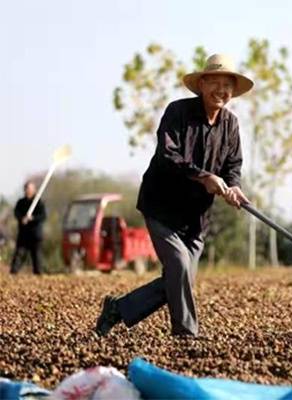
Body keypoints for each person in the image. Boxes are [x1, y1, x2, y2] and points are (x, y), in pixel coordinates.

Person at [95, 54, 252, 337]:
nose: (221, 90)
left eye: (227, 85)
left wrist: (233, 186)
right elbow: (168, 155)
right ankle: (186, 335)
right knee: (179, 267)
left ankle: (118, 309)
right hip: (162, 207)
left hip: (196, 218)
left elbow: (233, 166)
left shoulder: (231, 124)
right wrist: (203, 176)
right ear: (201, 84)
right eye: (214, 82)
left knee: (179, 280)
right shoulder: (177, 112)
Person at [10, 181, 46, 275]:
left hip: (35, 235)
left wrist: (32, 218)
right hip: (23, 235)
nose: (28, 190)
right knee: (19, 255)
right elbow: (16, 213)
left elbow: (43, 216)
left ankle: (38, 275)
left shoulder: (38, 203)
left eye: (30, 188)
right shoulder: (21, 202)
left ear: (34, 190)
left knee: (37, 257)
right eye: (26, 188)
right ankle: (13, 273)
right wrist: (22, 218)